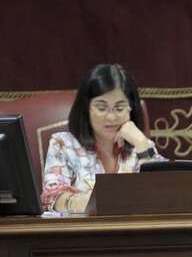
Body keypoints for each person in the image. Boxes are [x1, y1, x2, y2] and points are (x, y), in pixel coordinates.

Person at [41, 64, 163, 213]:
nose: (111, 117)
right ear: (86, 109)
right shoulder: (63, 144)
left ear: (131, 108)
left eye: (119, 108)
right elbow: (52, 199)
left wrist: (142, 144)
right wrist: (102, 202)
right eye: (101, 108)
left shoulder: (141, 146)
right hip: (84, 233)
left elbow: (165, 194)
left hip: (135, 232)